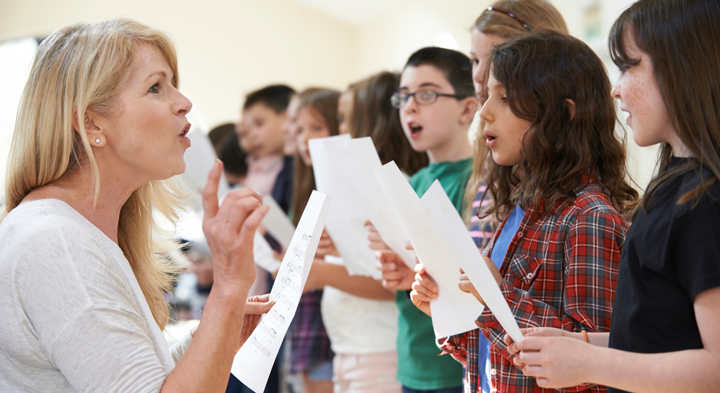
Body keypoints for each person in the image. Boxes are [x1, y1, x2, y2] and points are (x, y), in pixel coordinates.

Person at [0, 19, 272, 392]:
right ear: (91, 123)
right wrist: (226, 290)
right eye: (156, 87)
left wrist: (218, 331)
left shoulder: (72, 232)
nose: (184, 102)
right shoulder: (58, 244)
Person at [505, 1, 720, 392]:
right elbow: (660, 340)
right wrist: (579, 344)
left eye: (628, 66)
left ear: (680, 67)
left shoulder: (705, 200)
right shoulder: (673, 186)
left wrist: (591, 362)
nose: (615, 89)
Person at [412, 31, 640, 392]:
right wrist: (450, 305)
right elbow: (498, 356)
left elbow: (596, 369)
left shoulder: (589, 216)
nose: (484, 111)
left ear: (562, 114)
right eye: (487, 95)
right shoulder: (518, 209)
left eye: (503, 98)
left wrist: (496, 297)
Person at [409, 2, 569, 392]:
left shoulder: (576, 206)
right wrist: (445, 289)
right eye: (474, 61)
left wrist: (493, 296)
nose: (477, 75)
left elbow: (582, 338)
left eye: (490, 60)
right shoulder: (496, 160)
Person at [303, 71, 430, 393]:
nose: (340, 131)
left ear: (373, 123)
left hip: (379, 347)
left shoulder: (392, 187)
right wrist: (334, 250)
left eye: (346, 121)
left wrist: (322, 273)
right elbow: (363, 258)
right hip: (349, 347)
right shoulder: (360, 188)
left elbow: (393, 283)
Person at [372, 47, 479, 393]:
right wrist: (397, 270)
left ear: (467, 107)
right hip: (412, 358)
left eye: (427, 94)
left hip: (456, 364)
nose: (411, 107)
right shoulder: (411, 184)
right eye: (403, 97)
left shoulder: (481, 181)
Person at [289, 88, 341, 393]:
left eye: (316, 128)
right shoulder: (309, 192)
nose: (305, 139)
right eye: (299, 130)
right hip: (309, 323)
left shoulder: (345, 192)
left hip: (336, 331)